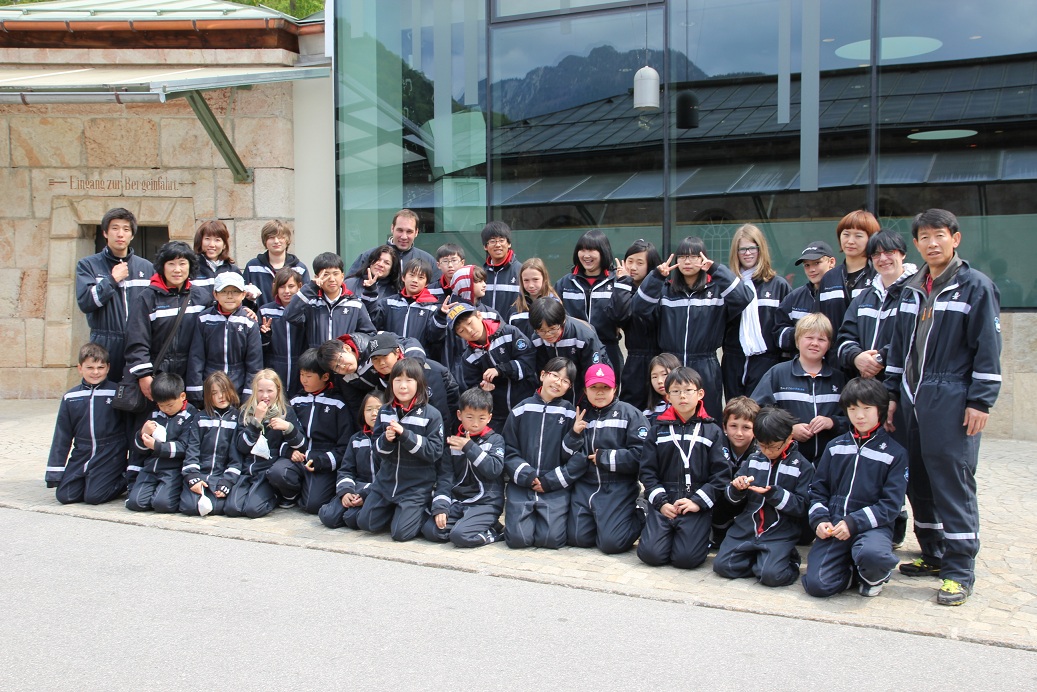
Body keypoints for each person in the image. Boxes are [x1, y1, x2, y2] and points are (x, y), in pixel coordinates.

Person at [886, 208, 1001, 606]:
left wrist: (980, 400)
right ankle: (933, 552)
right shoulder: (911, 289)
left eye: (939, 235)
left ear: (955, 238)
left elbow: (988, 347)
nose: (932, 243)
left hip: (951, 396)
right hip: (910, 397)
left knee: (952, 481)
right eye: (925, 237)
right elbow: (898, 349)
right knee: (917, 479)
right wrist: (891, 396)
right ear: (916, 244)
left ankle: (959, 569)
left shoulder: (975, 287)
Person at [803, 378, 908, 598]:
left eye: (866, 408)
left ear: (880, 409)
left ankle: (874, 575)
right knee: (817, 585)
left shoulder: (895, 453)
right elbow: (818, 490)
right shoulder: (835, 447)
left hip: (873, 526)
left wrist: (854, 522)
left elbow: (891, 505)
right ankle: (854, 573)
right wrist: (820, 520)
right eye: (852, 409)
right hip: (835, 524)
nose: (859, 416)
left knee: (873, 556)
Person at [632, 236, 753, 419]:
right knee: (670, 417)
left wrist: (716, 269)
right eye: (682, 256)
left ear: (703, 258)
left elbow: (744, 297)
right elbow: (638, 308)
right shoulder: (666, 290)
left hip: (706, 365)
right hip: (671, 365)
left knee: (707, 419)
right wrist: (656, 277)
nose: (687, 262)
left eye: (693, 256)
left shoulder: (716, 291)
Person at [636, 366, 731, 569]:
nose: (682, 396)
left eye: (688, 390)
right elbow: (647, 471)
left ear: (700, 394)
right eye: (676, 391)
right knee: (650, 555)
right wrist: (661, 503)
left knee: (686, 560)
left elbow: (722, 475)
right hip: (665, 500)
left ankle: (703, 533)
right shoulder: (657, 430)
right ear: (668, 396)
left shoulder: (712, 431)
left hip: (695, 502)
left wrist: (697, 502)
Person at [713, 407, 814, 587]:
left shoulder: (801, 466)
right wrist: (737, 488)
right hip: (747, 528)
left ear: (789, 438)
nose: (767, 451)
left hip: (779, 531)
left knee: (771, 576)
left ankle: (788, 561)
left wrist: (775, 494)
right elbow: (731, 497)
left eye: (773, 446)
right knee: (723, 566)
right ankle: (760, 560)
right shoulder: (753, 460)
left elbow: (802, 506)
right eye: (762, 445)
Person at [502, 357, 588, 549]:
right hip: (523, 484)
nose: (558, 382)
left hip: (554, 486)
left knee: (551, 539)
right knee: (517, 539)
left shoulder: (570, 414)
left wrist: (551, 481)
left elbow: (578, 458)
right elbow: (508, 449)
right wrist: (528, 476)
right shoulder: (521, 409)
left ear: (569, 387)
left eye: (565, 381)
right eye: (555, 375)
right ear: (542, 375)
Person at [357, 358, 446, 542]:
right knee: (365, 523)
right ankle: (397, 512)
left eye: (408, 380)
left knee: (400, 534)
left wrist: (405, 435)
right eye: (397, 380)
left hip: (415, 487)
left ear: (419, 383)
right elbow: (376, 449)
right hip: (385, 483)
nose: (402, 386)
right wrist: (386, 440)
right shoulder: (385, 411)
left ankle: (419, 510)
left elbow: (434, 452)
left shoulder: (432, 414)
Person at [567, 364, 649, 555]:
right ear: (585, 389)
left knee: (611, 544)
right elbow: (567, 453)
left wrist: (605, 457)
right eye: (594, 387)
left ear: (615, 388)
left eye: (605, 387)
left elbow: (643, 455)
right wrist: (573, 434)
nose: (600, 392)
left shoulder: (630, 414)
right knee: (577, 538)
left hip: (617, 487)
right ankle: (604, 522)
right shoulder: (581, 415)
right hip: (585, 485)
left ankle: (642, 510)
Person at [752, 314, 847, 465]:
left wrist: (832, 422)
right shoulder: (777, 374)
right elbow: (758, 412)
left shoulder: (839, 379)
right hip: (786, 463)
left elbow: (853, 418)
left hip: (829, 463)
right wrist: (788, 430)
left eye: (821, 339)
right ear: (797, 341)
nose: (815, 343)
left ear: (829, 344)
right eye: (809, 337)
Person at [267, 349, 352, 514]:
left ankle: (309, 492)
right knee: (277, 473)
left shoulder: (338, 404)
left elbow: (344, 446)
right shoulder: (295, 401)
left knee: (313, 505)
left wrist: (322, 461)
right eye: (301, 375)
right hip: (297, 459)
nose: (303, 380)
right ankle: (291, 495)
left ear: (325, 376)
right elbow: (280, 437)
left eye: (309, 376)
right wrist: (289, 452)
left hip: (322, 462)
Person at [422, 387, 507, 547]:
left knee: (460, 536)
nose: (475, 423)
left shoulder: (495, 440)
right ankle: (471, 524)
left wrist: (469, 447)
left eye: (481, 418)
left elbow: (493, 470)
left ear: (489, 418)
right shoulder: (453, 443)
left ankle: (495, 532)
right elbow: (445, 479)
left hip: (486, 503)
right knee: (431, 530)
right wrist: (441, 507)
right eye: (469, 417)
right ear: (459, 415)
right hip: (460, 501)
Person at [46, 343, 129, 505]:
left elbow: (129, 427)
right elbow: (62, 435)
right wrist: (54, 471)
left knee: (94, 496)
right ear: (80, 368)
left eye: (100, 367)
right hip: (82, 452)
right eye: (90, 367)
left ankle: (124, 476)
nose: (95, 372)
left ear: (108, 368)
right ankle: (91, 479)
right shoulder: (71, 397)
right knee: (65, 495)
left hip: (110, 453)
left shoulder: (117, 392)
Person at [75, 207, 154, 379]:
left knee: (139, 392)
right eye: (115, 228)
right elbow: (86, 302)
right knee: (106, 391)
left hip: (139, 344)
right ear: (105, 233)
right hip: (104, 342)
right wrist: (112, 280)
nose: (120, 234)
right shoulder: (88, 265)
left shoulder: (147, 267)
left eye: (126, 229)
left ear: (132, 235)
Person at [124, 241, 205, 401]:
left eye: (182, 263)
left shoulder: (202, 297)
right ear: (162, 267)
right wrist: (144, 375)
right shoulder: (147, 298)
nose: (177, 269)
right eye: (171, 264)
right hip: (157, 373)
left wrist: (248, 310)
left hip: (191, 374)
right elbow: (136, 340)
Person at [836, 229, 917, 380]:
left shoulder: (917, 293)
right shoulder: (863, 298)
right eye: (876, 254)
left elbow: (914, 337)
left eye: (889, 252)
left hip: (903, 384)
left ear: (903, 254)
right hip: (866, 386)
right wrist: (856, 357)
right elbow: (844, 338)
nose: (883, 258)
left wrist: (880, 359)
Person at [225, 369, 306, 519]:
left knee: (252, 510)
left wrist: (288, 428)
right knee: (232, 509)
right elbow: (242, 446)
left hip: (267, 471)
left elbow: (301, 445)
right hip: (247, 470)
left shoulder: (285, 411)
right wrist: (256, 421)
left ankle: (276, 495)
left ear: (278, 390)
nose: (265, 396)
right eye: (260, 391)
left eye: (270, 391)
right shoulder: (245, 411)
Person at [722, 224, 791, 400]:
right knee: (734, 409)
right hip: (734, 359)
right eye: (742, 249)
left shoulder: (778, 285)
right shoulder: (729, 286)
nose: (747, 253)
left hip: (766, 359)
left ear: (761, 249)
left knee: (760, 410)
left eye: (752, 248)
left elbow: (785, 324)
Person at [447, 302, 535, 432]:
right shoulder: (468, 357)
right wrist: (482, 389)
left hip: (526, 405)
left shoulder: (509, 333)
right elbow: (472, 386)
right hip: (497, 416)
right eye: (461, 331)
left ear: (479, 315)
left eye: (470, 323)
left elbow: (529, 362)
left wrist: (501, 370)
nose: (469, 331)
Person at [125, 372, 200, 513]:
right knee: (135, 503)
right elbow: (138, 447)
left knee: (162, 504)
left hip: (173, 470)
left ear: (182, 396)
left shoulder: (191, 416)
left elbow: (185, 446)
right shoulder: (155, 414)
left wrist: (157, 446)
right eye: (161, 405)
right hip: (150, 468)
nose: (165, 409)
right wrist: (142, 434)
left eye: (170, 405)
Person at [186, 272, 263, 406]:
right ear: (215, 294)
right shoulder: (204, 319)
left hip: (238, 383)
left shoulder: (249, 322)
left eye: (235, 291)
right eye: (224, 291)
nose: (229, 296)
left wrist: (248, 394)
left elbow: (254, 363)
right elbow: (196, 357)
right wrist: (196, 391)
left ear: (243, 294)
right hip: (211, 382)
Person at [555, 229, 623, 377]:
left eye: (591, 250)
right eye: (582, 250)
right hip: (572, 350)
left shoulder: (616, 282)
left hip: (608, 348)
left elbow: (623, 315)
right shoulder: (565, 283)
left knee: (605, 390)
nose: (586, 255)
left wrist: (625, 282)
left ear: (603, 252)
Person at [318, 391, 385, 530]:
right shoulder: (356, 439)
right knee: (328, 517)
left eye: (379, 409)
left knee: (353, 519)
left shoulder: (390, 438)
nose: (374, 413)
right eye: (369, 409)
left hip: (379, 490)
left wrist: (366, 494)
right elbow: (346, 469)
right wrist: (346, 492)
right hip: (357, 488)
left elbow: (391, 475)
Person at [609, 239, 662, 410]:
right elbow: (618, 317)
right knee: (631, 408)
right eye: (629, 261)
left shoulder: (662, 290)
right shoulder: (622, 287)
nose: (633, 267)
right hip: (634, 359)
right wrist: (623, 283)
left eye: (640, 263)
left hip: (660, 358)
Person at [284, 251, 376, 351]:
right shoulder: (311, 303)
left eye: (336, 274)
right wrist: (310, 288)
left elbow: (369, 334)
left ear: (342, 276)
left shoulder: (355, 305)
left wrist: (350, 345)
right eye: (326, 274)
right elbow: (290, 315)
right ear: (317, 277)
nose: (332, 279)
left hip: (344, 358)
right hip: (317, 358)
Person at [180, 371, 240, 517]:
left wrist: (227, 481)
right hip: (200, 473)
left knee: (217, 508)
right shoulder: (200, 417)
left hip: (221, 475)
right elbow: (192, 448)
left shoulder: (237, 418)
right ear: (208, 396)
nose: (221, 396)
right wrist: (193, 477)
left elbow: (236, 457)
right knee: (189, 507)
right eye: (214, 393)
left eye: (224, 390)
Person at [527, 297, 608, 405]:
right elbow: (540, 370)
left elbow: (592, 371)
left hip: (582, 379)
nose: (548, 335)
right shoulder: (537, 338)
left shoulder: (584, 336)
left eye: (552, 329)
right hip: (556, 383)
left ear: (563, 321)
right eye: (541, 331)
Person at [710, 395, 761, 548]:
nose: (739, 433)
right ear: (724, 427)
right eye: (733, 426)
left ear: (756, 429)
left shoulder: (761, 452)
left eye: (746, 427)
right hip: (720, 505)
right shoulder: (715, 445)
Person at [817, 210, 880, 331]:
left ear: (871, 239)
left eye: (858, 236)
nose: (850, 241)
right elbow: (819, 319)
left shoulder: (878, 276)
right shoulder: (829, 277)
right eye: (846, 234)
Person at [773, 241, 838, 354]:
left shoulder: (843, 294)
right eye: (807, 265)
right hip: (801, 363)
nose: (811, 269)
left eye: (817, 263)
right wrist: (803, 334)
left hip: (836, 363)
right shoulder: (793, 298)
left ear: (831, 262)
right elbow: (778, 334)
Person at [367, 257, 442, 353]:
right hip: (392, 356)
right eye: (412, 275)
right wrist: (370, 292)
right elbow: (373, 321)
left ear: (427, 283)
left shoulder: (433, 307)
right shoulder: (388, 302)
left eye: (421, 277)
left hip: (418, 357)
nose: (415, 280)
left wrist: (442, 316)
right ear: (403, 277)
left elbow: (435, 337)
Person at [346, 209, 439, 282]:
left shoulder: (427, 260)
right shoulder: (370, 256)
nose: (404, 236)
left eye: (409, 231)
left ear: (416, 232)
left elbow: (437, 290)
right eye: (400, 230)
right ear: (392, 228)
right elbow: (349, 286)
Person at [259, 267, 305, 397]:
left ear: (299, 286)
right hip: (274, 367)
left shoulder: (306, 309)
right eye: (282, 287)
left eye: (291, 286)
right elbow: (259, 347)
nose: (287, 291)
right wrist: (265, 336)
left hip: (300, 367)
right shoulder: (265, 311)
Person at [244, 220, 310, 306]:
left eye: (280, 237)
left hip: (292, 314)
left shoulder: (299, 268)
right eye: (271, 237)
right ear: (265, 241)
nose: (276, 241)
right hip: (260, 314)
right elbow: (241, 299)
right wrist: (249, 299)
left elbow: (307, 298)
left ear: (287, 240)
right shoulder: (253, 267)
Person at [190, 220, 247, 307]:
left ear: (224, 244)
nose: (212, 244)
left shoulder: (233, 270)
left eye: (217, 240)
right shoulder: (191, 268)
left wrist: (249, 302)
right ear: (200, 241)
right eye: (207, 239)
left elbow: (241, 302)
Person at [481, 221, 522, 321]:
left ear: (509, 243)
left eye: (501, 240)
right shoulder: (480, 274)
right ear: (485, 246)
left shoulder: (521, 271)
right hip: (485, 328)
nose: (498, 245)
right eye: (492, 241)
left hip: (512, 328)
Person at [510, 257, 560, 339]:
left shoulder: (555, 306)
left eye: (535, 279)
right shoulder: (515, 309)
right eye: (526, 280)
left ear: (544, 279)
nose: (531, 285)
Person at [344, 243, 400, 311]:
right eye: (378, 259)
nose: (380, 264)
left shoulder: (394, 293)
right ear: (370, 262)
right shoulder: (350, 283)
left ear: (392, 269)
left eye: (386, 263)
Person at [643, 352, 681, 424]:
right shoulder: (648, 414)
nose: (659, 381)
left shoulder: (686, 408)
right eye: (654, 377)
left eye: (664, 374)